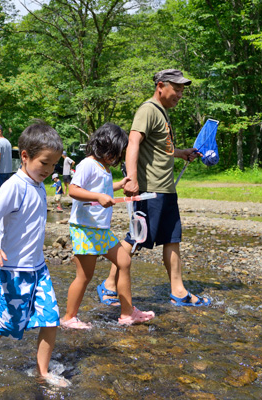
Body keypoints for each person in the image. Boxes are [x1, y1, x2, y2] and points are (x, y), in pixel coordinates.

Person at [0, 121, 69, 387]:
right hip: (13, 271)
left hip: (38, 269)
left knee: (51, 318)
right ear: (25, 156)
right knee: (4, 323)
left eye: (54, 164)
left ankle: (42, 372)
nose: (49, 170)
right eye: (44, 163)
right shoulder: (15, 186)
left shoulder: (39, 185)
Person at [100, 69, 210, 307]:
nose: (180, 94)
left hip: (166, 187)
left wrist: (181, 154)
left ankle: (178, 290)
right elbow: (133, 142)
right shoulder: (148, 110)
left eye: (182, 90)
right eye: (177, 89)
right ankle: (109, 284)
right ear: (161, 86)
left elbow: (161, 150)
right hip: (150, 189)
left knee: (172, 238)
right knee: (137, 238)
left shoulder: (162, 113)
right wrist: (131, 177)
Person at [60, 123, 155, 329]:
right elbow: (74, 190)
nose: (116, 158)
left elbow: (101, 188)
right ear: (103, 146)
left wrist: (118, 185)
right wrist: (97, 197)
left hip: (101, 229)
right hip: (85, 229)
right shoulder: (87, 164)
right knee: (84, 276)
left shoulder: (103, 167)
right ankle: (69, 318)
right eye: (114, 153)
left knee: (124, 261)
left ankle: (127, 313)